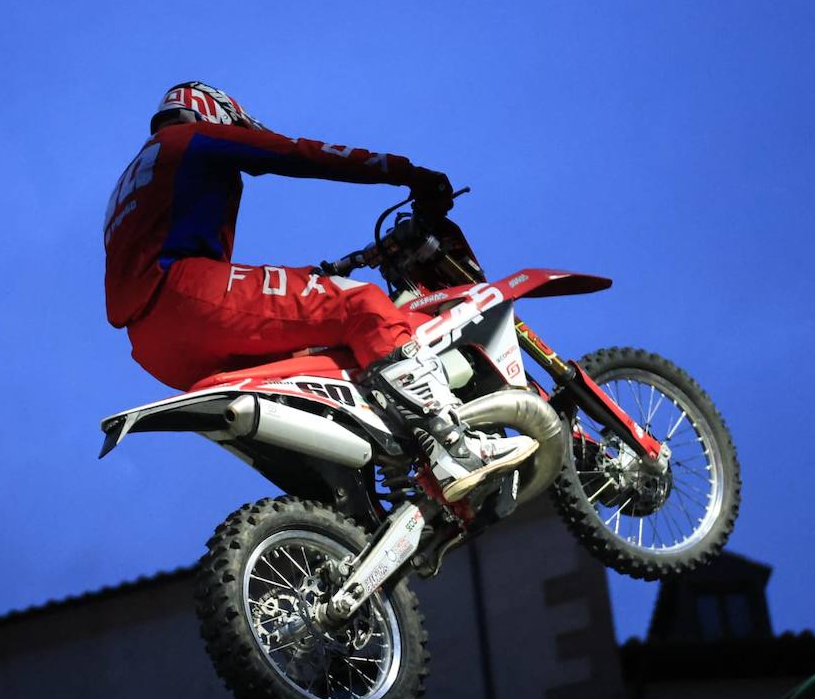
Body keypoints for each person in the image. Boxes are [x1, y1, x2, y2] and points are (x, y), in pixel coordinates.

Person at [103, 81, 535, 502]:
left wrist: (311, 276)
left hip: (152, 343)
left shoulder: (130, 181)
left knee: (320, 352)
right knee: (362, 304)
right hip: (188, 293)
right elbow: (298, 154)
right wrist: (408, 173)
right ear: (212, 110)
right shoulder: (193, 137)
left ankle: (350, 509)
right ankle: (454, 446)